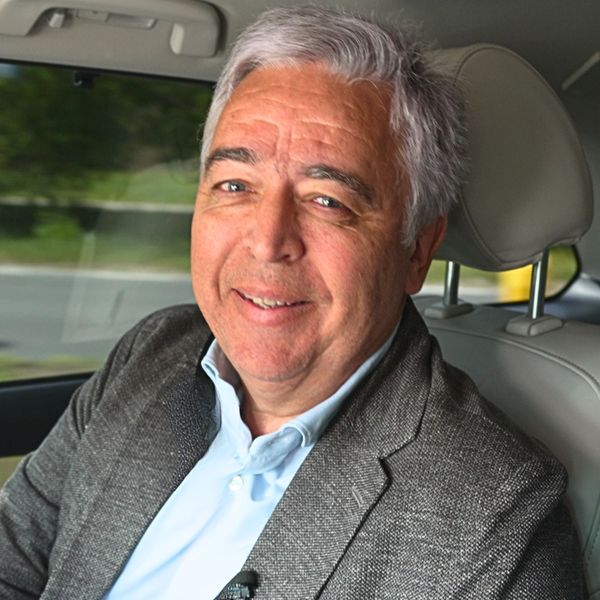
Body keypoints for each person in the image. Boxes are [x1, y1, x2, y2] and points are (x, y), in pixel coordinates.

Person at [0, 6, 586, 599]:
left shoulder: (495, 520)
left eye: (327, 200)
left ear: (416, 251)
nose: (267, 240)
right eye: (235, 185)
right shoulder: (152, 353)